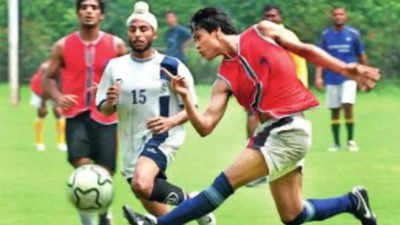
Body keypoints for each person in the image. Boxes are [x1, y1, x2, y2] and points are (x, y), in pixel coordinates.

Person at [122, 7, 379, 225]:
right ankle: (352, 201)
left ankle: (158, 222)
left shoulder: (262, 31)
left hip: (287, 129)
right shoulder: (222, 80)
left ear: (216, 31)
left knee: (221, 186)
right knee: (293, 214)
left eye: (199, 37)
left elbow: (304, 50)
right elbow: (205, 126)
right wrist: (187, 98)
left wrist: (346, 68)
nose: (196, 45)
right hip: (278, 134)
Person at [96, 2, 215, 225]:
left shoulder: (171, 65)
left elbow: (193, 108)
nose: (138, 34)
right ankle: (196, 204)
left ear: (154, 32)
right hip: (131, 142)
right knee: (159, 209)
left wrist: (170, 122)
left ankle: (193, 204)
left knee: (141, 183)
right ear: (128, 33)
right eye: (133, 29)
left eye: (144, 29)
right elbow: (103, 107)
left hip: (161, 137)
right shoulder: (115, 67)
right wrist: (110, 102)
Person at [42, 0, 127, 225]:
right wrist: (59, 97)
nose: (88, 11)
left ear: (101, 15)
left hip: (107, 117)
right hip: (76, 115)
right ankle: (87, 219)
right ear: (78, 12)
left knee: (105, 171)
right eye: (84, 7)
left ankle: (103, 214)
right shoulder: (63, 45)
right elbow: (47, 78)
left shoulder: (116, 45)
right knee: (82, 166)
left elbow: (127, 77)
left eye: (94, 7)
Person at [245, 4, 310, 187]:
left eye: (273, 16)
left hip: (291, 85)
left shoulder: (282, 35)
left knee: (292, 122)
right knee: (255, 117)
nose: (270, 19)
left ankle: (284, 165)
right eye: (267, 16)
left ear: (280, 17)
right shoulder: (262, 36)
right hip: (274, 87)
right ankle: (258, 162)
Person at [314, 7, 368, 152]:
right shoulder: (326, 35)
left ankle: (351, 140)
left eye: (341, 14)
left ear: (346, 17)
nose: (338, 17)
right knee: (334, 109)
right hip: (331, 77)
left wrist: (363, 75)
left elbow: (362, 56)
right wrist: (319, 76)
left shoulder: (353, 34)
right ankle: (336, 143)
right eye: (336, 14)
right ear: (332, 17)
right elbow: (320, 57)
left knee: (348, 105)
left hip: (349, 77)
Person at [30, 61, 67, 152]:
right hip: (39, 89)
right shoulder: (46, 68)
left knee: (58, 113)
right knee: (41, 113)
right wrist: (43, 104)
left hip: (55, 90)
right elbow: (43, 86)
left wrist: (58, 102)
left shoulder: (67, 69)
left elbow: (62, 86)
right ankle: (39, 142)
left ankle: (61, 143)